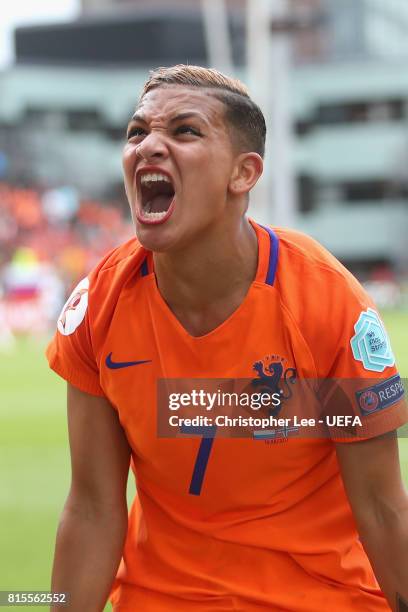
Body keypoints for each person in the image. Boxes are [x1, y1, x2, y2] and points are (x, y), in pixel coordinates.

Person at [46, 65, 408, 612]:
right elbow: (94, 507)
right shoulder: (100, 302)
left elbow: (384, 511)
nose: (149, 146)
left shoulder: (328, 303)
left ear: (244, 173)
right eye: (137, 132)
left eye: (184, 131)